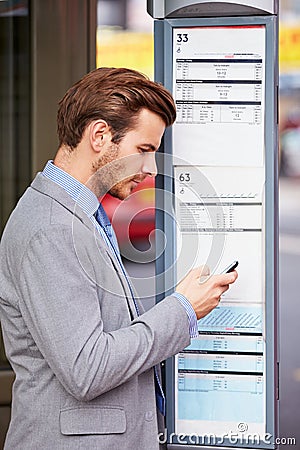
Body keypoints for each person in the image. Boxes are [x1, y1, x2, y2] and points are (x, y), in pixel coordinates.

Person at [0, 67, 237, 450]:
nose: (150, 169)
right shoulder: (51, 227)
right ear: (99, 136)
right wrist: (183, 310)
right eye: (144, 150)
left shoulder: (80, 214)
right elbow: (87, 370)